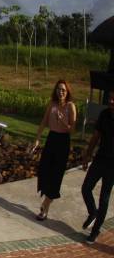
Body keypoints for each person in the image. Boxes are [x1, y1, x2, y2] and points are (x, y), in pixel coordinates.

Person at [32, 80, 76, 220]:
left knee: (56, 174)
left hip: (63, 141)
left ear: (67, 91)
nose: (61, 92)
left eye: (63, 90)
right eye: (58, 89)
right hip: (52, 138)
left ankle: (45, 206)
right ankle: (46, 200)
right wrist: (37, 138)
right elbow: (44, 121)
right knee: (45, 169)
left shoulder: (71, 106)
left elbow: (72, 130)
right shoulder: (52, 104)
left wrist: (63, 121)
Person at [80, 91, 114, 244]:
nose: (111, 101)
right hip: (100, 159)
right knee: (86, 188)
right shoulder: (104, 114)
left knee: (104, 198)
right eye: (110, 98)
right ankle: (92, 212)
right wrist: (87, 155)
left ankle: (95, 231)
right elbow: (96, 136)